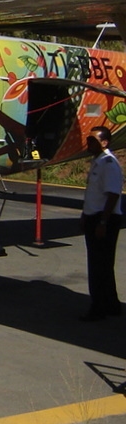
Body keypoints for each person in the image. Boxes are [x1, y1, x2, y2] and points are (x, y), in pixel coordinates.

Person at [80, 125, 123, 321]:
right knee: (102, 265)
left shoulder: (109, 163)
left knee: (99, 266)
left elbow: (113, 194)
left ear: (104, 142)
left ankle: (98, 308)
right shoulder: (97, 161)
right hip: (94, 217)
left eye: (92, 140)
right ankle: (111, 304)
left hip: (103, 219)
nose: (88, 143)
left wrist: (103, 222)